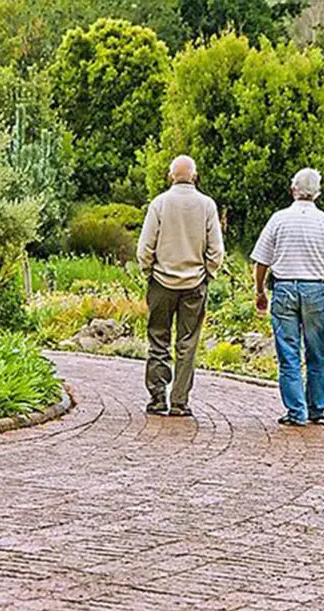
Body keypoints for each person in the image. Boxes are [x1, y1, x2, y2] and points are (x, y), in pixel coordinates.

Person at [250, 168, 324, 427]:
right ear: (317, 193)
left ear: (293, 189)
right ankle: (317, 407)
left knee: (289, 353)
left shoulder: (278, 219)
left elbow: (261, 262)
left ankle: (296, 411)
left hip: (284, 288)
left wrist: (260, 291)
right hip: (315, 289)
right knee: (317, 352)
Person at [137, 155, 225, 417]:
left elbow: (145, 247)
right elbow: (216, 250)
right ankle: (179, 401)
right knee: (188, 343)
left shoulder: (159, 204)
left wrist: (148, 271)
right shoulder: (207, 205)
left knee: (158, 338)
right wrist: (208, 272)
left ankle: (156, 397)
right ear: (195, 175)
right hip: (194, 283)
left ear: (171, 175)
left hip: (162, 281)